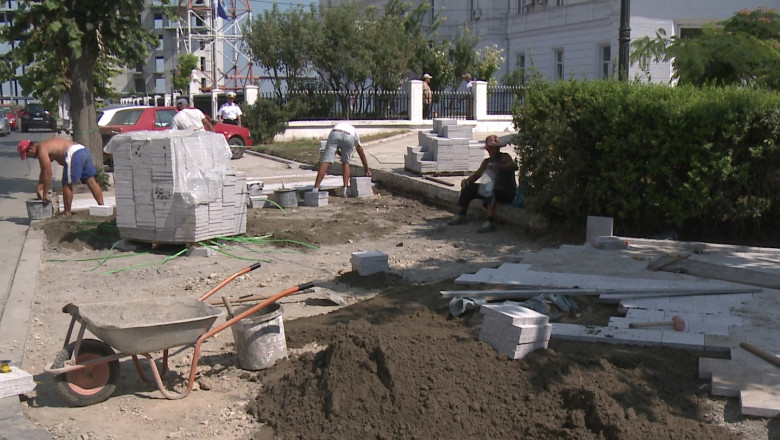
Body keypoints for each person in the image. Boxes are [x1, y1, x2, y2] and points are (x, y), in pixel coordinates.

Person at [447, 135, 518, 233]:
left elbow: (514, 166)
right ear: (488, 150)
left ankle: (490, 221)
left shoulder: (504, 157)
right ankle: (462, 215)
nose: (494, 150)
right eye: (491, 148)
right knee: (469, 187)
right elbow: (476, 175)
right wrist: (467, 181)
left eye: (495, 148)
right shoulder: (486, 162)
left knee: (490, 189)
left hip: (506, 191)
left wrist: (500, 167)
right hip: (491, 188)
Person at [18, 137, 104, 216]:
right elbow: (43, 171)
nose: (31, 158)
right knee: (91, 181)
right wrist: (39, 188)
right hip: (83, 150)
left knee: (66, 184)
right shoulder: (45, 145)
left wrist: (45, 194)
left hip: (73, 153)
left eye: (28, 155)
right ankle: (102, 207)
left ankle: (67, 213)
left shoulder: (42, 150)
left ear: (30, 149)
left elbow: (47, 172)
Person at [312, 122, 371, 197]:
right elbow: (361, 152)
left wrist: (341, 154)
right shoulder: (355, 131)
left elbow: (334, 149)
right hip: (349, 136)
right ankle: (344, 191)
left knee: (326, 161)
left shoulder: (338, 126)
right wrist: (366, 169)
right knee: (345, 163)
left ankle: (315, 189)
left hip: (334, 133)